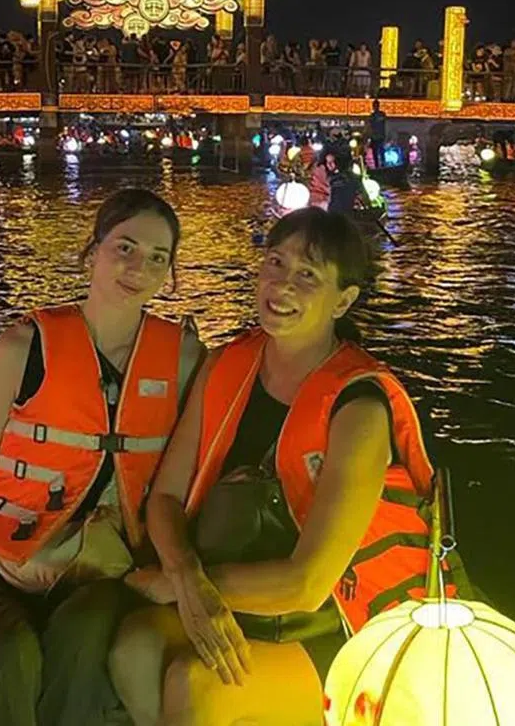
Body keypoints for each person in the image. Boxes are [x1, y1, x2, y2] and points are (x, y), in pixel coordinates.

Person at [109, 208, 445, 726]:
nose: (282, 284)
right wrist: (185, 574)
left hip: (328, 628)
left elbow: (307, 583)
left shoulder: (358, 407)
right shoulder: (227, 366)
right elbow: (166, 498)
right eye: (275, 262)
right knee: (131, 647)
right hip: (227, 598)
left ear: (344, 301)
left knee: (195, 683)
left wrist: (189, 586)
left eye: (308, 275)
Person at [0, 189, 203, 726]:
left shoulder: (187, 361)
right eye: (124, 247)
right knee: (10, 655)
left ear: (169, 274)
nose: (137, 268)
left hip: (106, 575)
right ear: (91, 252)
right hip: (0, 569)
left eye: (157, 257)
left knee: (83, 641)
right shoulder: (22, 348)